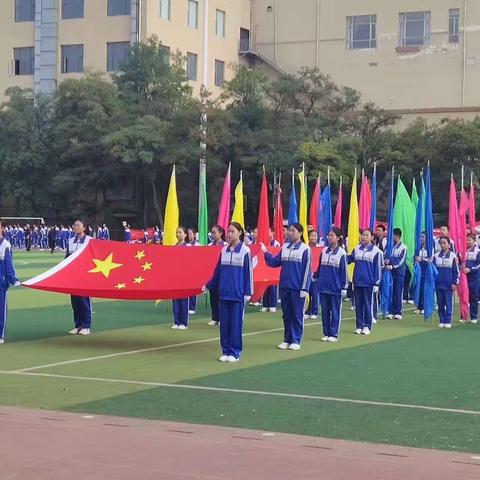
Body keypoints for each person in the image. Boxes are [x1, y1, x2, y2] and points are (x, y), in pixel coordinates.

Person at [205, 222, 252, 362]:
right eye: (228, 232)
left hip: (237, 295)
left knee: (235, 325)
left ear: (240, 233)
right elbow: (217, 271)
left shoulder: (245, 251)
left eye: (232, 231)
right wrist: (209, 284)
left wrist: (247, 292)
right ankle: (225, 351)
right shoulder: (223, 250)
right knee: (224, 325)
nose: (229, 234)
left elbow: (248, 273)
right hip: (223, 294)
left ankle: (235, 352)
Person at [261, 223, 311, 351]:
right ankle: (287, 339)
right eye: (289, 231)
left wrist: (304, 289)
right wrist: (266, 252)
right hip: (284, 286)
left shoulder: (305, 249)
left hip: (297, 288)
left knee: (297, 314)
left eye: (293, 231)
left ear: (300, 233)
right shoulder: (285, 247)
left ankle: (296, 340)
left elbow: (307, 271)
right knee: (286, 314)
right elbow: (274, 262)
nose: (290, 233)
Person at [313, 228, 348, 342]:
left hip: (335, 287)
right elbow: (319, 266)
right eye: (329, 235)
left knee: (335, 311)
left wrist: (344, 287)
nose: (329, 237)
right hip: (323, 286)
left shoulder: (342, 253)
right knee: (325, 311)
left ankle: (333, 333)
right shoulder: (324, 251)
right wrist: (316, 275)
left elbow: (344, 271)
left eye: (332, 236)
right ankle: (326, 332)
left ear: (338, 238)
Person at [347, 228, 383, 335]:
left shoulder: (376, 251)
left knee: (368, 304)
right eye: (363, 235)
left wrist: (376, 283)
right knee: (358, 304)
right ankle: (359, 325)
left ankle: (367, 325)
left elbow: (378, 268)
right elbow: (349, 259)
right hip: (357, 281)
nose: (364, 237)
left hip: (369, 282)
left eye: (367, 235)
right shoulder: (357, 249)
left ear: (372, 237)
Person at [67, 220, 93, 335]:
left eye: (78, 225)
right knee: (75, 301)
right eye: (74, 225)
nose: (76, 227)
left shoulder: (89, 241)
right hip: (73, 276)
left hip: (84, 276)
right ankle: (77, 325)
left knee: (84, 300)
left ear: (84, 228)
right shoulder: (70, 241)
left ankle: (86, 325)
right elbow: (67, 258)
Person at [0, 220, 21, 344]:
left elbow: (9, 264)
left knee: (1, 310)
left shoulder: (5, 245)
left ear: (2, 228)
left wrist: (13, 279)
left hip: (1, 283)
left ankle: (0, 334)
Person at [433, 236, 459, 328]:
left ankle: (448, 321)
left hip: (448, 285)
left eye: (444, 243)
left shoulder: (453, 256)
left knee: (448, 303)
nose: (442, 245)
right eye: (441, 243)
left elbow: (456, 271)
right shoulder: (435, 256)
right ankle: (442, 320)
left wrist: (454, 282)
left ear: (449, 244)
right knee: (440, 303)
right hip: (438, 284)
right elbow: (433, 270)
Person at [207, 225, 227, 326]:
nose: (213, 234)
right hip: (212, 275)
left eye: (215, 232)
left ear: (220, 233)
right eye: (212, 232)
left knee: (221, 298)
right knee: (213, 297)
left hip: (222, 274)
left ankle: (222, 318)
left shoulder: (226, 245)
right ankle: (215, 317)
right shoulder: (210, 245)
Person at [385, 228, 407, 320]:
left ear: (397, 236)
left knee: (398, 292)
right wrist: (385, 262)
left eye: (392, 235)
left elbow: (401, 261)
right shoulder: (389, 246)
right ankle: (391, 311)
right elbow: (385, 255)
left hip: (399, 273)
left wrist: (393, 266)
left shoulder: (404, 247)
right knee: (390, 292)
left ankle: (398, 311)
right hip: (390, 273)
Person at [172, 227, 191, 330]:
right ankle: (176, 321)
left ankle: (184, 322)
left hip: (184, 277)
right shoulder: (173, 247)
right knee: (175, 299)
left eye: (180, 232)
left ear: (185, 235)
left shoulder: (188, 246)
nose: (178, 234)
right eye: (177, 232)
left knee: (184, 299)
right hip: (175, 276)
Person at [261, 228, 280, 313]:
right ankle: (265, 304)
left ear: (272, 232)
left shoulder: (276, 244)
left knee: (272, 286)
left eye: (269, 232)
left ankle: (272, 304)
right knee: (265, 286)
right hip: (264, 267)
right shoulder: (262, 243)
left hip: (273, 267)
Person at [463, 233, 480, 324]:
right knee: (464, 296)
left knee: (473, 297)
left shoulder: (478, 251)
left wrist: (470, 269)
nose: (467, 242)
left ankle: (474, 316)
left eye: (469, 240)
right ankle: (463, 316)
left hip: (474, 277)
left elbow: (478, 264)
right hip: (464, 277)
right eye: (466, 240)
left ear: (474, 241)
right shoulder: (462, 250)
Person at [305, 229, 320, 319]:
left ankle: (314, 311)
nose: (313, 237)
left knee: (314, 293)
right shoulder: (306, 248)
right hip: (307, 274)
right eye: (312, 236)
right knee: (308, 293)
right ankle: (308, 311)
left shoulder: (320, 248)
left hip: (316, 275)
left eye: (315, 236)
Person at [414, 232, 429, 314]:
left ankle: (424, 306)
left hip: (425, 271)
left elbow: (431, 258)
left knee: (424, 289)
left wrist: (423, 259)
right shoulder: (418, 248)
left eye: (423, 237)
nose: (421, 239)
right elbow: (415, 256)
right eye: (420, 237)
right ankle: (419, 306)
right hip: (419, 271)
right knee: (418, 288)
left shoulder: (430, 248)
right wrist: (416, 259)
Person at [187, 228, 201, 314]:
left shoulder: (198, 246)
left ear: (194, 235)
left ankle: (192, 307)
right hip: (186, 270)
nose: (189, 236)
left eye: (190, 234)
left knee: (192, 289)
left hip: (194, 270)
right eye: (187, 234)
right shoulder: (184, 245)